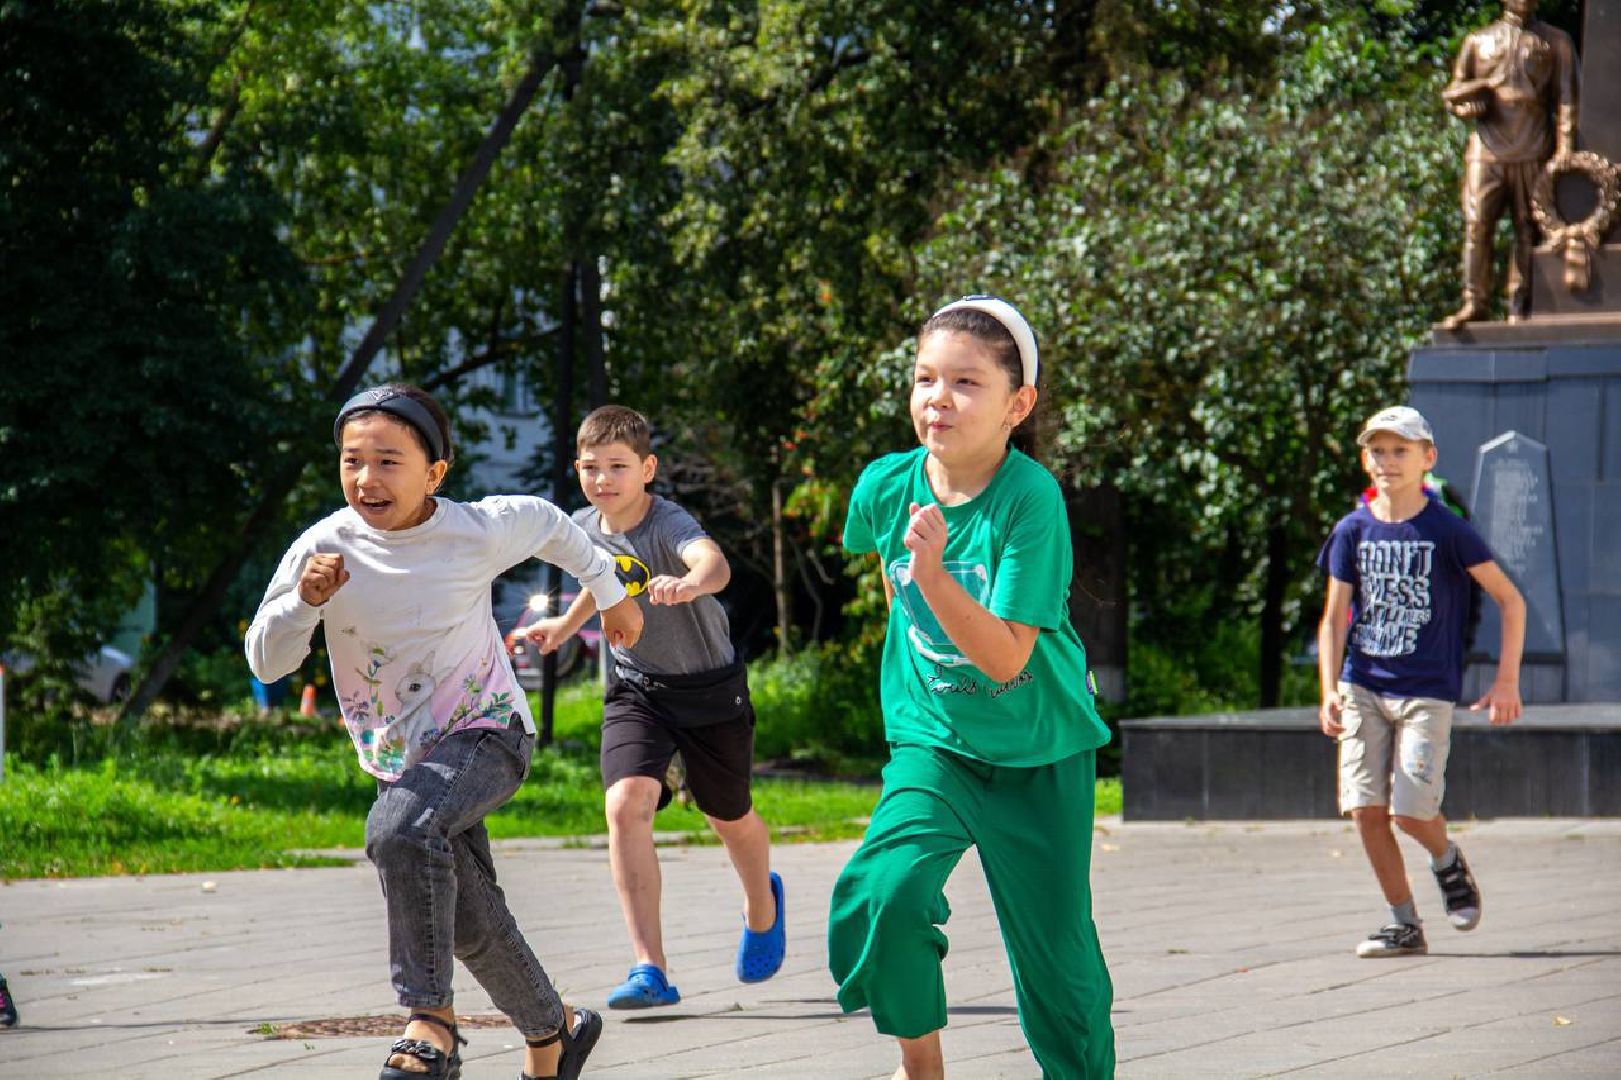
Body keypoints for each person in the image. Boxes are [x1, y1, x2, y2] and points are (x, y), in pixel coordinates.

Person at [246, 384, 643, 1080]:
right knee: (463, 915)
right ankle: (556, 1031)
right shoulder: (323, 547)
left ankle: (430, 1020)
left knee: (398, 833)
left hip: (488, 733)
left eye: (388, 461)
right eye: (352, 461)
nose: (367, 479)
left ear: (435, 472)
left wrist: (610, 599)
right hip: (400, 760)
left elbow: (554, 524)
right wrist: (304, 605)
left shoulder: (475, 530)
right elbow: (267, 662)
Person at [827, 296, 1115, 1079]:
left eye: (964, 381)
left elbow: (1005, 659)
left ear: (1016, 404)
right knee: (881, 897)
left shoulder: (1031, 499)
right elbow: (895, 594)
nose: (937, 398)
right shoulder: (885, 486)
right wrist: (917, 649)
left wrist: (930, 572)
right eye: (924, 378)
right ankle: (921, 1066)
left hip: (1040, 752)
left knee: (1059, 968)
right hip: (937, 745)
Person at [524, 405, 785, 1010]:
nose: (604, 479)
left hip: (709, 688)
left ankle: (761, 903)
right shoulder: (583, 525)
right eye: (591, 468)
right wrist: (564, 626)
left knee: (729, 816)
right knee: (625, 804)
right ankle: (650, 969)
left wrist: (693, 583)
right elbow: (602, 579)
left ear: (647, 469)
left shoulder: (667, 521)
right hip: (638, 689)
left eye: (618, 467)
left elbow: (710, 560)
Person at [1317, 405, 1526, 959]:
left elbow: (1511, 599)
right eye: (1378, 451)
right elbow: (1335, 616)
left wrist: (1506, 682)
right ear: (1365, 461)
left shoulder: (1447, 530)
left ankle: (1446, 860)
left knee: (1409, 810)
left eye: (1400, 451)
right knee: (1364, 809)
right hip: (1362, 684)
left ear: (1427, 459)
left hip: (1426, 691)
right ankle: (1403, 923)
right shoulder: (1352, 530)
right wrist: (1329, 689)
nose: (1388, 461)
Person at [1438, 0, 1577, 327]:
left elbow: (1568, 97)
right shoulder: (1477, 41)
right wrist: (1465, 106)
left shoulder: (1556, 42)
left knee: (1527, 227)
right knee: (1476, 224)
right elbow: (1454, 91)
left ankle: (1519, 305)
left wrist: (1566, 146)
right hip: (1487, 148)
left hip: (1532, 144)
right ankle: (1474, 301)